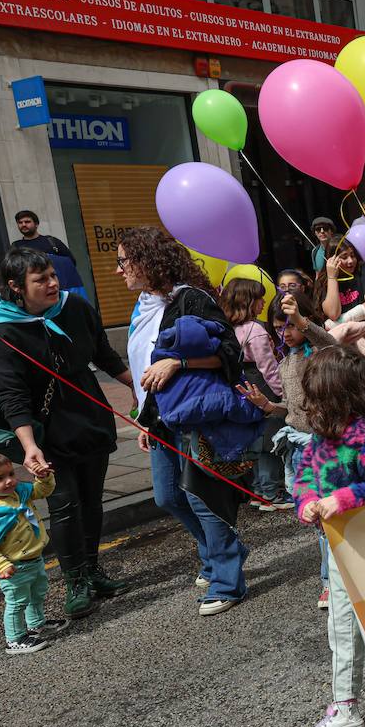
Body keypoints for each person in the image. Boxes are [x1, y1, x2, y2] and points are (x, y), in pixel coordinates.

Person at [0, 247, 134, 618]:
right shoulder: (4, 328)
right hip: (49, 429)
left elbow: (104, 354)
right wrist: (28, 447)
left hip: (89, 414)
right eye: (40, 280)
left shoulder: (74, 307)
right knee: (64, 504)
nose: (53, 283)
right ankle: (75, 581)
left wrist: (139, 388)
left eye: (53, 275)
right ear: (16, 286)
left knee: (92, 501)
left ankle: (92, 570)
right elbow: (11, 394)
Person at [121, 227, 251, 616]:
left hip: (192, 416)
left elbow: (229, 353)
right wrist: (143, 416)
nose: (119, 270)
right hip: (159, 419)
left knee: (202, 495)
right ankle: (218, 553)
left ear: (149, 261)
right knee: (168, 496)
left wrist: (180, 361)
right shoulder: (142, 306)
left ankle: (228, 580)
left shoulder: (190, 299)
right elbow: (141, 364)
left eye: (124, 261)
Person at [291, 345, 365, 727]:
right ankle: (345, 705)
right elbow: (303, 479)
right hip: (339, 552)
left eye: (315, 395)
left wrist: (343, 498)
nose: (310, 404)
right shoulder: (320, 440)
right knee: (342, 628)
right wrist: (305, 504)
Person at [241, 291, 337, 608]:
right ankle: (337, 576)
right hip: (297, 446)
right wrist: (269, 405)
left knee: (326, 519)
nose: (287, 332)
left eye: (290, 325)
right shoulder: (285, 363)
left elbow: (332, 344)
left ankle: (331, 583)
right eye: (280, 327)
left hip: (324, 446)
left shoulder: (319, 356)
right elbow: (293, 409)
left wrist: (303, 321)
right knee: (315, 517)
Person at [220, 279, 288, 510]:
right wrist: (281, 394)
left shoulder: (228, 328)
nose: (263, 303)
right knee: (271, 439)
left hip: (242, 386)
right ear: (248, 301)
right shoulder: (255, 330)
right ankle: (271, 492)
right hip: (261, 386)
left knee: (255, 440)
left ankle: (259, 490)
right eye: (259, 298)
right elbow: (268, 367)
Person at [0, 453, 64, 654]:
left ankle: (36, 624)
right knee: (17, 602)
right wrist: (1, 565)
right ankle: (14, 639)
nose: (9, 481)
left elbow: (43, 490)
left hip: (34, 558)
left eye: (10, 474)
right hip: (14, 566)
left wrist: (43, 477)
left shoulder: (20, 492)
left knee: (37, 592)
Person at [10, 210, 85, 300]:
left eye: (27, 222)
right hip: (34, 294)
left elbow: (70, 263)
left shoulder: (52, 242)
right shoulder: (16, 246)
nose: (23, 225)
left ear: (36, 224)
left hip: (60, 290)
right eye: (20, 223)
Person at [318, 233, 365, 324]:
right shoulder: (323, 281)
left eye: (352, 255)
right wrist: (332, 278)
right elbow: (333, 313)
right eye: (344, 257)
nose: (350, 261)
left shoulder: (363, 269)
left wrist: (343, 320)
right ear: (331, 260)